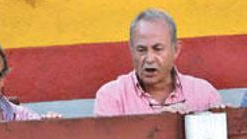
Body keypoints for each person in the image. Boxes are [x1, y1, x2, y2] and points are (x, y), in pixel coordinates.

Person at [94, 9, 222, 116]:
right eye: (141, 50)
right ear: (131, 50)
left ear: (176, 49)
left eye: (158, 49)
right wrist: (161, 124)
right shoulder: (112, 97)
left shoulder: (204, 94)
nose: (149, 59)